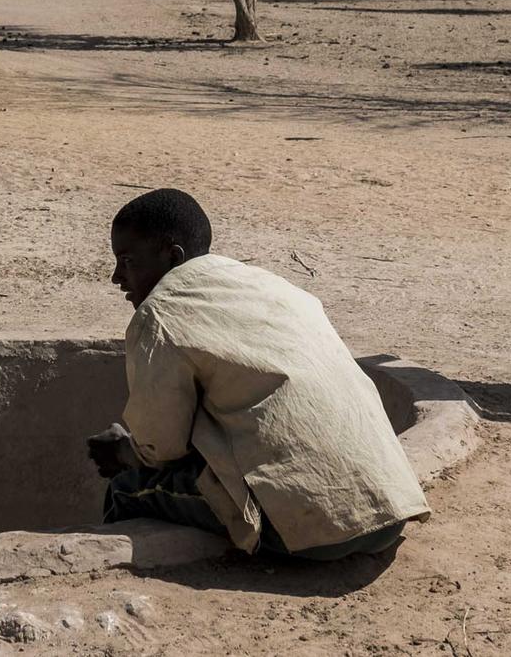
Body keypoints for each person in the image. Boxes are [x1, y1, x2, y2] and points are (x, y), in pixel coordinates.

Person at [86, 189, 428, 560]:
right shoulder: (276, 287)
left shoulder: (160, 314)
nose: (116, 277)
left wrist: (121, 451)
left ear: (173, 256)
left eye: (127, 260)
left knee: (126, 488)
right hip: (391, 510)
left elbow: (161, 448)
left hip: (316, 533)